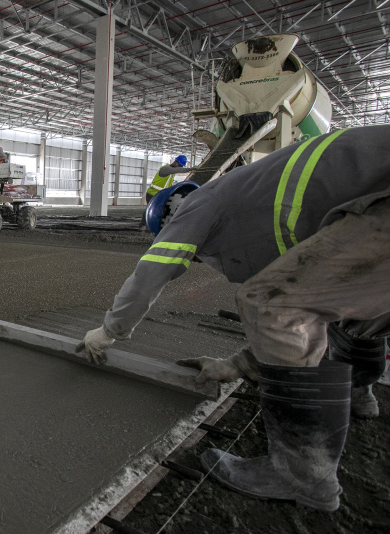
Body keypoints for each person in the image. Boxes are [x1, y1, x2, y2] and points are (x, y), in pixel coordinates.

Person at [74, 125, 390, 513]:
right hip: (378, 192)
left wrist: (107, 332)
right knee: (345, 307)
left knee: (268, 302)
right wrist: (237, 364)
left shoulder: (194, 206)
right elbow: (315, 307)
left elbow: (149, 275)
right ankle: (359, 392)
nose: (195, 260)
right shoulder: (249, 193)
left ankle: (302, 474)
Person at [141, 155, 190, 229]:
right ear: (176, 162)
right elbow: (176, 170)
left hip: (160, 194)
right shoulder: (166, 169)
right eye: (180, 165)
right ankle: (144, 225)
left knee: (158, 211)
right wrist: (190, 169)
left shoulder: (171, 173)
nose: (180, 168)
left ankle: (150, 226)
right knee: (151, 210)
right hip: (153, 193)